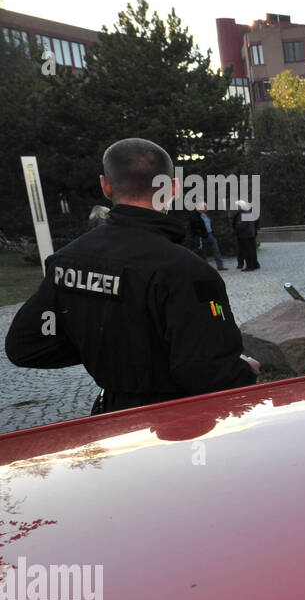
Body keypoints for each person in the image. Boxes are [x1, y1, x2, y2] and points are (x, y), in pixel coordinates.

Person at [4, 137, 259, 415]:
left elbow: (27, 344)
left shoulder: (67, 259)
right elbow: (210, 372)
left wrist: (104, 347)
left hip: (110, 421)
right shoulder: (189, 271)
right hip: (178, 427)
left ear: (105, 186)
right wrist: (246, 370)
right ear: (172, 189)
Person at [189, 202, 226, 270]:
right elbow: (195, 227)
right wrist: (201, 234)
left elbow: (210, 224)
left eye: (206, 206)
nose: (206, 208)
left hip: (210, 234)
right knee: (203, 251)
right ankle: (204, 267)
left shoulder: (207, 215)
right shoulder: (196, 215)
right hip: (202, 236)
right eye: (205, 207)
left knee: (216, 250)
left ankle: (220, 266)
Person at [232, 200, 260, 270]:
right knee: (252, 250)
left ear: (240, 206)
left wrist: (235, 231)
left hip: (244, 235)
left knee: (247, 251)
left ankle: (250, 266)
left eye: (237, 206)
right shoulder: (248, 212)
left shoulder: (242, 214)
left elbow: (241, 225)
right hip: (250, 234)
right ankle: (255, 264)